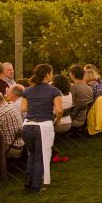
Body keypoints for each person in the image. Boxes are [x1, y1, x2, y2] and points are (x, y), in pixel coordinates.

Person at [16, 64, 64, 192]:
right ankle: (36, 186)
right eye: (52, 72)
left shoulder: (27, 90)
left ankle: (28, 181)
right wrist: (57, 120)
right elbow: (59, 110)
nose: (52, 75)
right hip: (43, 126)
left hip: (27, 125)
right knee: (41, 157)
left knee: (32, 154)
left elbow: (23, 109)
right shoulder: (54, 91)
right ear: (47, 74)